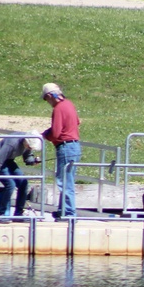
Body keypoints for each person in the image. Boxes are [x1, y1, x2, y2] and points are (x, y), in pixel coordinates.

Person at [41, 82, 81, 219]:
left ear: (50, 96)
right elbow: (77, 122)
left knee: (64, 181)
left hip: (65, 147)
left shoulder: (58, 109)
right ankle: (63, 210)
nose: (48, 102)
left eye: (47, 99)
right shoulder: (69, 104)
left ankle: (69, 213)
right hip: (75, 146)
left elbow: (56, 133)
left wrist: (44, 136)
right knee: (68, 179)